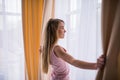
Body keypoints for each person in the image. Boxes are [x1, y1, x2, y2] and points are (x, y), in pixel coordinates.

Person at [40, 18, 105, 80]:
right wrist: (96, 65)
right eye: (62, 28)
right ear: (55, 31)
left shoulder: (46, 48)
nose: (65, 30)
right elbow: (73, 61)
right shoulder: (57, 49)